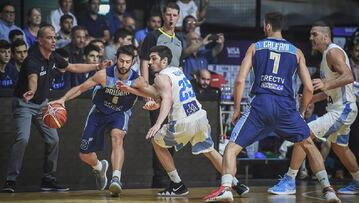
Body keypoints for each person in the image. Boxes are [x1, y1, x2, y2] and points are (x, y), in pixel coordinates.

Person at [203, 13, 340, 202]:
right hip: (285, 107)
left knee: (231, 148)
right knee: (308, 144)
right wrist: (300, 112)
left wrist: (236, 109)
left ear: (267, 26)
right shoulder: (296, 51)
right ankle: (328, 189)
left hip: (261, 105)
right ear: (281, 27)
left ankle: (226, 189)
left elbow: (240, 80)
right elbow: (308, 88)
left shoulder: (255, 47)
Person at [117, 45, 249, 197]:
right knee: (210, 151)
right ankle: (236, 184)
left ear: (164, 61)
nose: (149, 62)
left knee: (155, 140)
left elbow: (166, 98)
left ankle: (177, 184)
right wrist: (130, 90)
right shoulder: (176, 71)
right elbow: (157, 93)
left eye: (154, 59)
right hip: (199, 116)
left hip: (183, 121)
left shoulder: (160, 77)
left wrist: (158, 123)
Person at [1, 24, 109, 193]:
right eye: (49, 38)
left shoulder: (53, 56)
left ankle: (48, 180)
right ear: (39, 40)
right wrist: (32, 91)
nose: (53, 41)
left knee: (54, 140)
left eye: (54, 37)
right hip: (25, 104)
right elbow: (33, 78)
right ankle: (10, 181)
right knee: (23, 138)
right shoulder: (32, 59)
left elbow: (72, 67)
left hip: (43, 104)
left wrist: (97, 66)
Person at [269, 22, 359, 196]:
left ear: (325, 36)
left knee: (303, 133)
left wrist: (326, 83)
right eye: (310, 34)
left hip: (343, 108)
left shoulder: (333, 52)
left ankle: (289, 180)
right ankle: (358, 181)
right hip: (340, 107)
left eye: (314, 34)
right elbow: (332, 90)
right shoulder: (326, 56)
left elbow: (349, 76)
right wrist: (313, 99)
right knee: (340, 148)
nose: (311, 38)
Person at [50, 45, 138, 196]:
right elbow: (81, 88)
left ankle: (116, 179)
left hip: (120, 112)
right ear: (116, 59)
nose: (123, 65)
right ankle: (99, 167)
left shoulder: (137, 80)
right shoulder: (104, 75)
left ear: (133, 62)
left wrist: (154, 99)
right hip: (99, 111)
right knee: (84, 154)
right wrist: (63, 99)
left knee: (117, 136)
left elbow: (152, 91)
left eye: (127, 62)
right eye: (121, 61)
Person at [139, 2, 183, 188]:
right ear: (163, 16)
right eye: (169, 15)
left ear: (178, 17)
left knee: (171, 137)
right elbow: (144, 62)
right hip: (157, 93)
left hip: (174, 95)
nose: (171, 18)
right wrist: (146, 91)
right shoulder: (153, 36)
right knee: (158, 136)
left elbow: (180, 66)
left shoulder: (180, 40)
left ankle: (171, 179)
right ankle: (160, 180)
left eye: (175, 15)